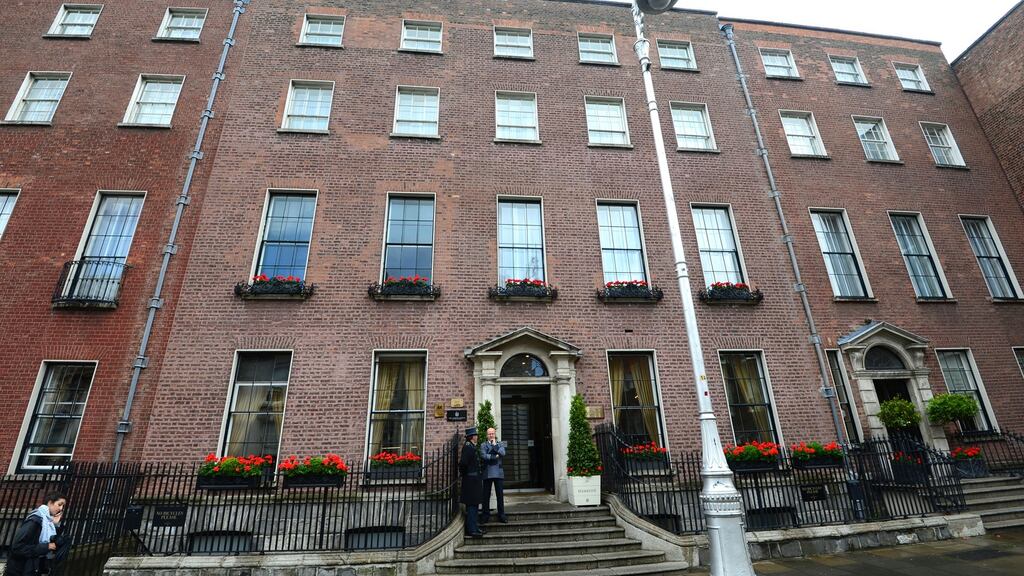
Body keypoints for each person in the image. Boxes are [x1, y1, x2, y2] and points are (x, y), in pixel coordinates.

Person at [4, 491, 70, 576]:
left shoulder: (48, 522)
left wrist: (54, 524)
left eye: (63, 506)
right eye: (59, 504)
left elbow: (50, 539)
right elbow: (17, 547)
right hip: (20, 570)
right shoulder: (35, 520)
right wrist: (47, 546)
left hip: (33, 569)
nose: (61, 509)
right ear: (50, 502)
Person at [459, 426, 485, 539]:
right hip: (471, 482)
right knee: (472, 507)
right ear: (472, 437)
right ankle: (472, 530)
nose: (477, 437)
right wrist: (467, 475)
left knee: (474, 505)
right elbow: (463, 464)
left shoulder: (471, 447)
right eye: (476, 435)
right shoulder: (468, 448)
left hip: (473, 481)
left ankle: (475, 527)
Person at [479, 427, 507, 524]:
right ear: (487, 435)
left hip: (498, 472)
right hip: (487, 472)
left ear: (495, 434)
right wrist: (495, 456)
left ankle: (502, 515)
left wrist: (495, 446)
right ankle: (485, 515)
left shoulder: (500, 444)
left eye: (492, 433)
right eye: (489, 434)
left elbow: (503, 453)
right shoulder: (483, 445)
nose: (491, 435)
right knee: (485, 495)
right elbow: (483, 455)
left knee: (500, 495)